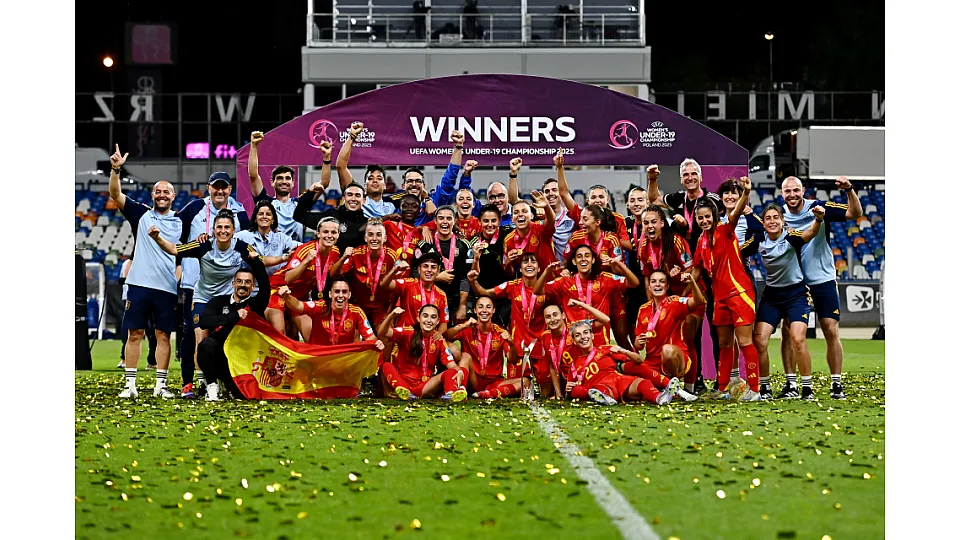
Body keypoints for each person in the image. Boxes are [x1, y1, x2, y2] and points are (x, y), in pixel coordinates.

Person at [149, 210, 262, 394]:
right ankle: (206, 383)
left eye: (227, 227)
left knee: (228, 341)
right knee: (201, 340)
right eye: (219, 227)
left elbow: (262, 260)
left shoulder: (242, 247)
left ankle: (231, 381)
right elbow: (175, 249)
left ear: (233, 230)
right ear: (213, 229)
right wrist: (157, 238)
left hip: (226, 301)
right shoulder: (203, 244)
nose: (223, 231)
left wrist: (284, 259)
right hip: (202, 298)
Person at [780, 176, 862, 400]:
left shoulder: (819, 207)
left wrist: (849, 190)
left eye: (796, 190)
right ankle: (791, 384)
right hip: (795, 283)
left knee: (830, 330)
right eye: (788, 191)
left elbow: (855, 213)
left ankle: (836, 384)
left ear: (803, 190)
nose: (792, 195)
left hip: (823, 279)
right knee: (788, 332)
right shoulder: (778, 217)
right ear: (781, 194)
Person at [108, 145, 181, 399]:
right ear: (152, 195)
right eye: (158, 191)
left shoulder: (181, 221)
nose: (162, 195)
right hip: (139, 284)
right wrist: (116, 169)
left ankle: (160, 386)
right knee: (135, 333)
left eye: (166, 192)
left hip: (167, 287)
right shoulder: (140, 214)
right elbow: (115, 193)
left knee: (163, 335)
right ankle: (130, 385)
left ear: (173, 196)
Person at [176, 171, 249, 397]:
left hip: (227, 290)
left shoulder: (240, 213)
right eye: (215, 187)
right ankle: (192, 381)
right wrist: (179, 265)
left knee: (224, 335)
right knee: (192, 334)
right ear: (208, 188)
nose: (220, 191)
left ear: (229, 189)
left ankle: (224, 380)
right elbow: (178, 239)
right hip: (193, 283)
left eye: (224, 187)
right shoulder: (193, 208)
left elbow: (246, 243)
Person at [689, 178, 762, 401]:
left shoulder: (725, 228)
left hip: (739, 293)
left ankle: (755, 390)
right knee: (724, 344)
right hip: (719, 299)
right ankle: (722, 388)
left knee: (745, 342)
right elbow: (697, 271)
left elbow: (737, 212)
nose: (703, 221)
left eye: (707, 217)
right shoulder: (701, 241)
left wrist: (746, 193)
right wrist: (684, 281)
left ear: (714, 215)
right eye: (700, 218)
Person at [753, 203, 824, 400]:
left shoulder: (791, 237)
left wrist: (818, 219)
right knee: (759, 340)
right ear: (763, 223)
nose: (772, 221)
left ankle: (806, 388)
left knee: (798, 339)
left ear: (782, 221)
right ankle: (765, 387)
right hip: (772, 296)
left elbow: (810, 233)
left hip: (796, 294)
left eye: (776, 217)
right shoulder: (759, 240)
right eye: (768, 218)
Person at [635, 205, 704, 394]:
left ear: (662, 224)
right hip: (665, 297)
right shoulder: (643, 247)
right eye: (646, 222)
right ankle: (667, 382)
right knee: (663, 339)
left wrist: (678, 296)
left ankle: (690, 386)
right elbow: (647, 276)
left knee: (687, 336)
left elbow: (692, 271)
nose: (649, 226)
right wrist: (653, 307)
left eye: (653, 222)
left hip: (689, 293)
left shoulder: (675, 241)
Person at [195, 256, 270, 401]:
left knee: (242, 396)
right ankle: (211, 386)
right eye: (239, 281)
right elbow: (205, 321)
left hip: (244, 359)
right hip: (221, 357)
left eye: (248, 282)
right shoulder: (218, 301)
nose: (243, 285)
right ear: (233, 284)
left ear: (253, 286)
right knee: (205, 345)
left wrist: (256, 262)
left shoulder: (256, 304)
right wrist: (234, 316)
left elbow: (266, 287)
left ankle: (229, 386)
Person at [535, 244, 640, 347]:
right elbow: (537, 291)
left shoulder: (604, 279)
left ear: (593, 260)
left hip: (600, 342)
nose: (583, 259)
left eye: (587, 256)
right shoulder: (565, 282)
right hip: (574, 342)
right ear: (574, 261)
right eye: (579, 256)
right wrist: (546, 272)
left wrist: (620, 265)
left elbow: (634, 283)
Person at [627, 270, 704, 402]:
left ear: (667, 286)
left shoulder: (675, 302)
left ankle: (672, 385)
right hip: (652, 362)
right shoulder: (643, 309)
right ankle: (668, 389)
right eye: (654, 282)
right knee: (630, 378)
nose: (658, 285)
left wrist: (692, 282)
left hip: (676, 358)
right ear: (649, 286)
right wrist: (639, 341)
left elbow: (698, 301)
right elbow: (638, 346)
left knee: (667, 350)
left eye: (662, 281)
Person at [565, 321, 681, 406]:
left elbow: (639, 360)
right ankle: (604, 398)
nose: (583, 337)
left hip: (618, 379)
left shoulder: (606, 349)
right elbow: (569, 393)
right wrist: (569, 390)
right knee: (595, 390)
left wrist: (622, 350)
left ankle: (659, 398)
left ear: (592, 335)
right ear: (574, 341)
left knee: (643, 383)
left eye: (585, 333)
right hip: (600, 386)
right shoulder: (574, 364)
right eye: (578, 335)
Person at [268, 216, 345, 341]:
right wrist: (306, 261)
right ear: (318, 233)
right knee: (280, 333)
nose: (329, 236)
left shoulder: (335, 252)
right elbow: (288, 278)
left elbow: (331, 276)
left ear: (338, 235)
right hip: (278, 290)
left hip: (299, 297)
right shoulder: (305, 250)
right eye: (325, 232)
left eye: (333, 232)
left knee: (311, 337)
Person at [248, 130, 332, 242]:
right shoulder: (266, 202)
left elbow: (324, 183)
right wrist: (254, 146)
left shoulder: (300, 204)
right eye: (280, 178)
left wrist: (327, 157)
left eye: (287, 178)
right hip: (272, 255)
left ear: (293, 183)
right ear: (272, 182)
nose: (284, 181)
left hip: (297, 256)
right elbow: (253, 175)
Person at [377, 305, 467, 402]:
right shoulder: (407, 332)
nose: (428, 320)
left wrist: (459, 372)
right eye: (425, 316)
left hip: (425, 385)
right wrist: (391, 316)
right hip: (403, 381)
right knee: (386, 366)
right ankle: (403, 390)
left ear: (437, 321)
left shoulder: (439, 340)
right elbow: (382, 333)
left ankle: (450, 394)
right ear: (418, 318)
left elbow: (451, 364)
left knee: (454, 372)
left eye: (433, 317)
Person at [444, 296, 525, 399]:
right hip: (473, 379)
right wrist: (463, 326)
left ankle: (487, 394)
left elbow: (513, 360)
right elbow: (446, 336)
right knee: (465, 356)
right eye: (480, 307)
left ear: (493, 310)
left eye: (488, 307)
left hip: (494, 382)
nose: (484, 310)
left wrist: (511, 344)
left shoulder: (500, 332)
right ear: (475, 310)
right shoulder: (468, 327)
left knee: (525, 382)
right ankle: (461, 388)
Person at [469, 253, 545, 360]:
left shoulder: (547, 289)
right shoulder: (512, 286)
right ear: (520, 269)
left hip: (540, 347)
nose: (529, 265)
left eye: (533, 262)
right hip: (517, 349)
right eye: (525, 262)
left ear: (539, 269)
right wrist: (473, 281)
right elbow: (485, 293)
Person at [531, 300, 612, 399]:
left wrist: (581, 305)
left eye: (555, 315)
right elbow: (553, 366)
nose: (552, 319)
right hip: (569, 382)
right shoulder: (545, 337)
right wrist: (558, 394)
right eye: (548, 317)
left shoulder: (576, 329)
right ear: (545, 320)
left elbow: (605, 320)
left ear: (563, 315)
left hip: (588, 376)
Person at [555, 150, 632, 250]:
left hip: (609, 263)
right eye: (593, 197)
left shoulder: (618, 218)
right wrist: (560, 168)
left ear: (607, 199)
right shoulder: (581, 214)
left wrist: (607, 236)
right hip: (586, 262)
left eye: (601, 197)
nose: (597, 200)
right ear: (588, 201)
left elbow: (629, 246)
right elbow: (564, 193)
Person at [276, 279, 384, 350]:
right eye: (337, 291)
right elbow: (298, 306)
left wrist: (376, 343)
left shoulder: (357, 312)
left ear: (349, 294)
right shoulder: (320, 306)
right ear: (330, 294)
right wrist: (286, 296)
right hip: (318, 358)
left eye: (344, 292)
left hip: (342, 360)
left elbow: (370, 337)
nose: (340, 295)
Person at [338, 218, 398, 329]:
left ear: (385, 238)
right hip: (358, 307)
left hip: (381, 308)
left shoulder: (392, 256)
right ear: (365, 238)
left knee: (387, 335)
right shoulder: (356, 254)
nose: (374, 239)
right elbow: (335, 275)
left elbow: (399, 288)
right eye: (370, 235)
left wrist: (390, 313)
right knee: (351, 335)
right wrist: (343, 258)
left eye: (378, 235)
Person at [420, 205, 473, 323]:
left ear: (455, 221)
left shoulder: (464, 245)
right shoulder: (425, 244)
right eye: (441, 218)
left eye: (449, 218)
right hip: (429, 300)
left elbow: (466, 277)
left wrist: (462, 306)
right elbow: (414, 273)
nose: (445, 222)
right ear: (435, 221)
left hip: (456, 300)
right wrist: (436, 277)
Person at [380, 251, 451, 334]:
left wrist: (437, 335)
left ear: (438, 271)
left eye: (433, 267)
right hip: (406, 337)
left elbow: (443, 323)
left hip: (427, 339)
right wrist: (395, 270)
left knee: (453, 347)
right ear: (419, 269)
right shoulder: (408, 284)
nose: (429, 270)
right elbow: (384, 284)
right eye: (425, 266)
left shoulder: (441, 295)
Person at [293, 181, 368, 252]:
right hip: (330, 264)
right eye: (349, 195)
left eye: (357, 195)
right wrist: (310, 193)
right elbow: (299, 216)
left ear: (364, 200)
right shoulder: (331, 215)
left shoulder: (366, 224)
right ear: (343, 199)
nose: (353, 199)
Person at [469, 204, 512, 328]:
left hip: (505, 296)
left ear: (499, 221)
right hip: (483, 294)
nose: (490, 224)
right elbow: (473, 276)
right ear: (479, 221)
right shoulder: (473, 242)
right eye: (485, 221)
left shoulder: (508, 236)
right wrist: (476, 258)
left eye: (493, 220)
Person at [117, 255, 157, 370]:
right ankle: (126, 359)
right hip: (133, 296)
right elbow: (123, 281)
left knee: (151, 331)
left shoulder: (150, 260)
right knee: (133, 330)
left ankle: (152, 361)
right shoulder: (128, 263)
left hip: (146, 296)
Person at [503, 193, 556, 275]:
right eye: (516, 212)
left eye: (524, 211)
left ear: (531, 216)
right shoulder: (508, 240)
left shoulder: (539, 228)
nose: (520, 214)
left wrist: (546, 207)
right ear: (512, 219)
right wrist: (508, 262)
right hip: (528, 285)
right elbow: (510, 273)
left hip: (550, 281)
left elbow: (551, 221)